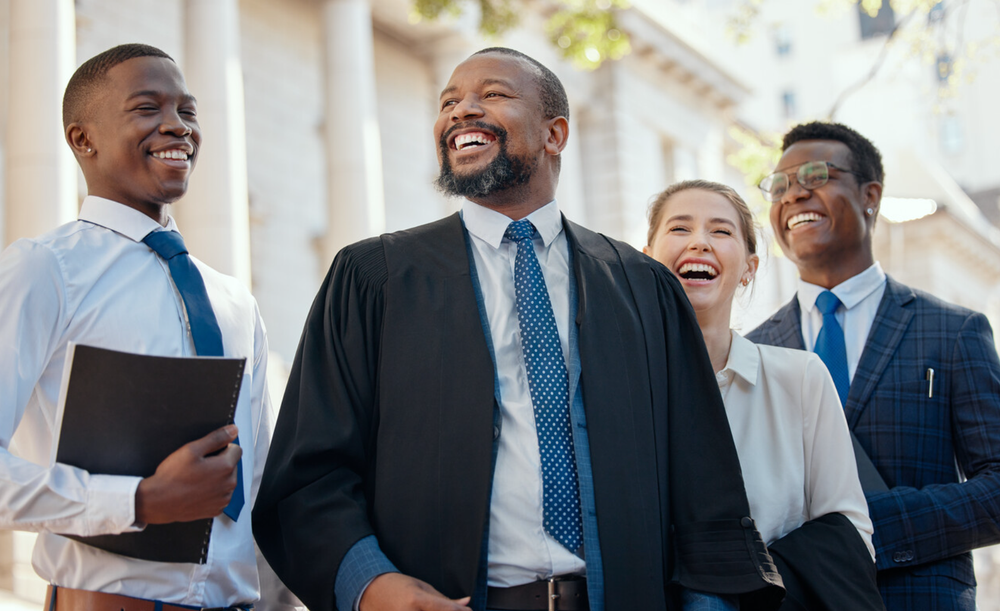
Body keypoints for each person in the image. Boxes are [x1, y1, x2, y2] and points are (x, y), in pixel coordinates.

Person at [253, 48, 783, 611]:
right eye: (449, 103)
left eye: (494, 95)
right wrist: (372, 585)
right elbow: (309, 473)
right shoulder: (374, 279)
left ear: (555, 134)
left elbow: (703, 486)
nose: (462, 112)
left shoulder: (643, 287)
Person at [0, 44, 282, 611]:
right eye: (147, 108)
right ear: (84, 140)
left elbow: (263, 490)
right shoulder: (44, 270)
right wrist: (139, 501)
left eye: (187, 111)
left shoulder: (233, 301)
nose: (178, 127)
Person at [747, 121, 1000, 610]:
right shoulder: (754, 354)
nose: (794, 194)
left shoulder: (952, 332)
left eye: (816, 175)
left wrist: (866, 524)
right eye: (778, 186)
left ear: (871, 195)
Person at [644, 179, 882, 610]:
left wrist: (749, 589)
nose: (699, 242)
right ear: (647, 261)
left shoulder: (800, 377)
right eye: (679, 229)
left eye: (720, 231)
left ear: (750, 268)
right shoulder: (618, 386)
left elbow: (849, 530)